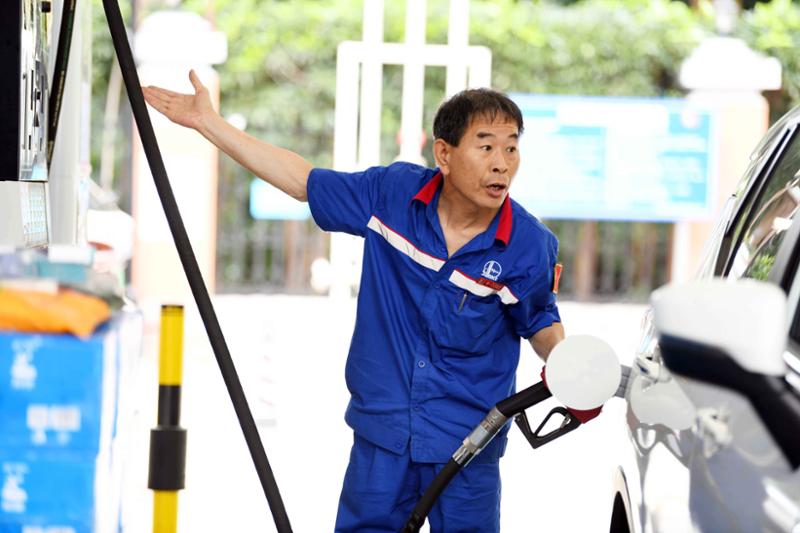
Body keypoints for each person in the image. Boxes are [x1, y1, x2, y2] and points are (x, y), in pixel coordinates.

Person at [143, 71, 567, 533]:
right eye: (486, 147)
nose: (502, 164)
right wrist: (209, 123)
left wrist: (573, 365)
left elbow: (541, 324)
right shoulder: (394, 196)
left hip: (469, 445)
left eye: (511, 148)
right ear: (444, 154)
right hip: (383, 435)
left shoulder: (528, 245)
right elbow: (302, 180)